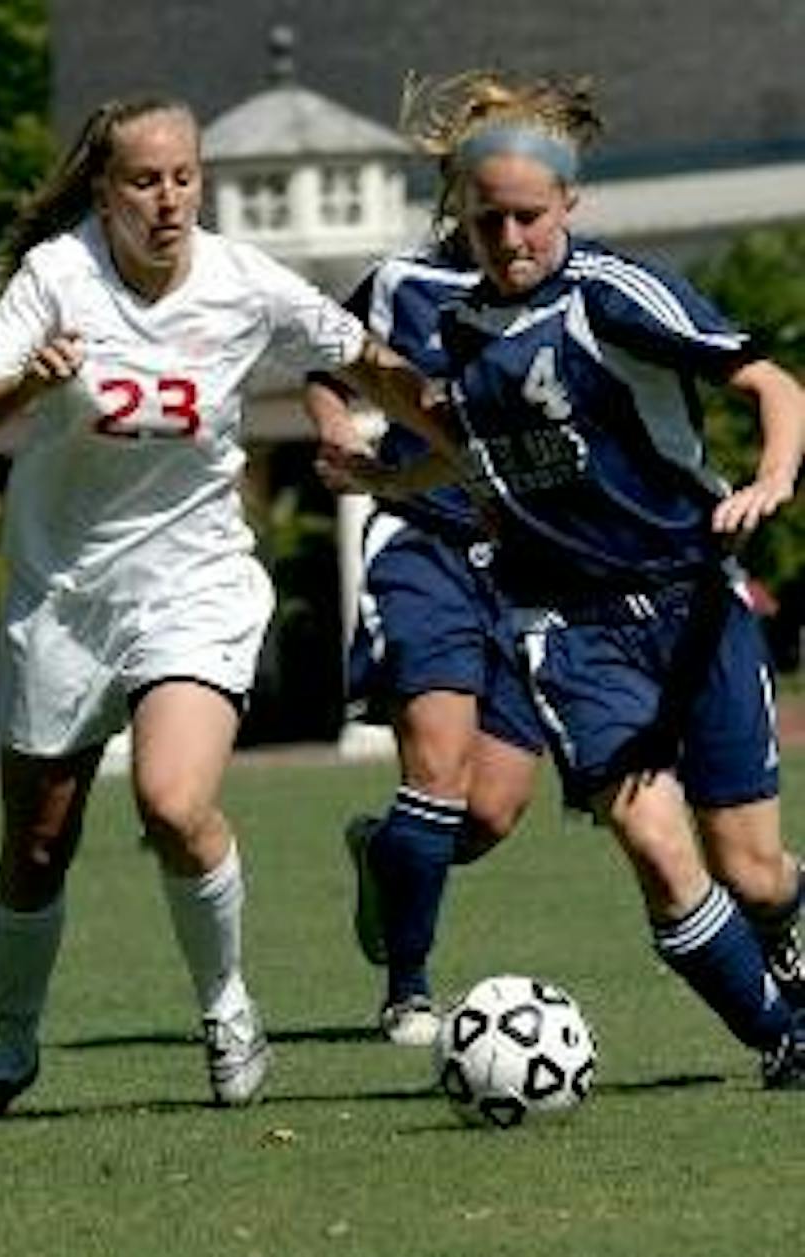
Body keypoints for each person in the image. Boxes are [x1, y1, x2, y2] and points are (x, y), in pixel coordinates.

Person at [0, 94, 447, 1117]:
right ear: (102, 189)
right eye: (142, 181)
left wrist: (457, 451)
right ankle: (11, 1042)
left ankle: (227, 1012)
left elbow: (366, 363)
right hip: (66, 595)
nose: (167, 200)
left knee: (173, 803)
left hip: (195, 584)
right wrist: (26, 386)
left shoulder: (241, 279)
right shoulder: (57, 277)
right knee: (36, 848)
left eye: (183, 177)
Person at [337, 69, 805, 1087]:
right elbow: (468, 435)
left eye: (529, 219)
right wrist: (395, 467)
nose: (509, 241)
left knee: (753, 870)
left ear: (570, 207)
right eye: (489, 219)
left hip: (694, 608)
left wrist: (770, 478)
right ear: (458, 210)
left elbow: (773, 382)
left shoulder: (615, 293)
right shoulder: (448, 323)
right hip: (571, 624)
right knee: (648, 833)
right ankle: (784, 1042)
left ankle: (787, 955)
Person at [304, 227, 545, 1048]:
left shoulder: (573, 279)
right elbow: (322, 367)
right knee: (437, 770)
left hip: (524, 565)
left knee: (493, 810)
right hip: (422, 542)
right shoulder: (401, 279)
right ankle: (408, 990)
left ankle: (384, 854)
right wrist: (337, 430)